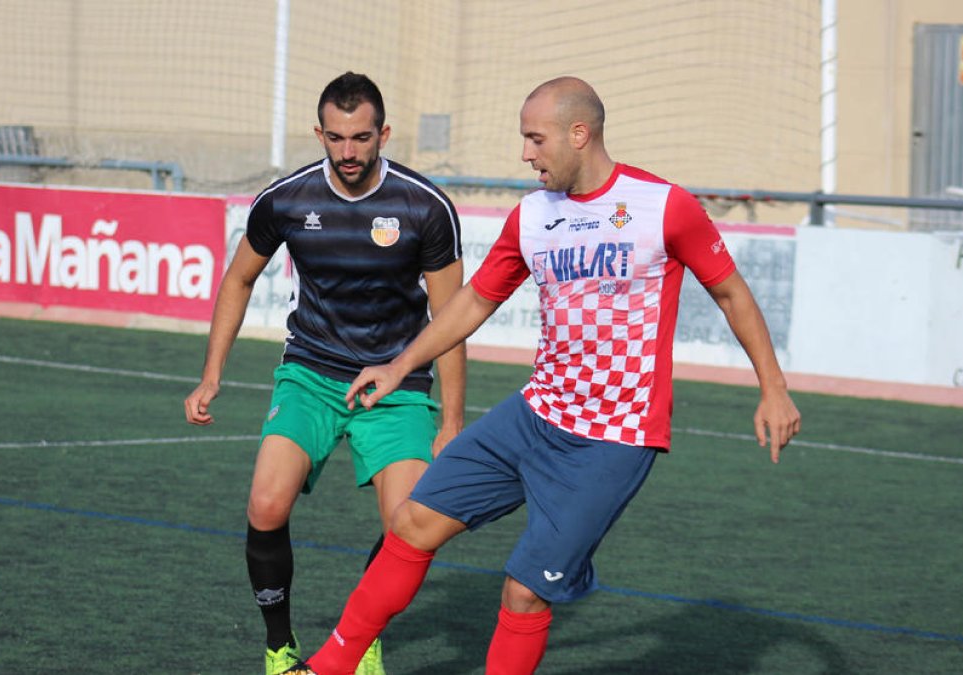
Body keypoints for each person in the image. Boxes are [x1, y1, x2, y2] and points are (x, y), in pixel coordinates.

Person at [289, 75, 802, 675]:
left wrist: (773, 387)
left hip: (613, 439)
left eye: (535, 139)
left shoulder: (663, 206)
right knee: (412, 522)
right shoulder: (532, 216)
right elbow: (476, 299)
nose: (524, 153)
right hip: (533, 416)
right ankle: (327, 667)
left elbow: (732, 293)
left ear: (578, 134)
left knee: (524, 591)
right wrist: (402, 364)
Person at [183, 71, 466, 675]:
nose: (349, 152)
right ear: (319, 132)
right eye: (336, 138)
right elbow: (238, 278)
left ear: (383, 133)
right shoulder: (286, 200)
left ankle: (358, 640)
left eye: (362, 138)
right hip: (311, 372)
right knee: (265, 504)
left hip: (395, 383)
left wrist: (453, 420)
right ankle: (279, 647)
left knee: (409, 526)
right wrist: (212, 376)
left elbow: (451, 318)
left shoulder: (425, 206)